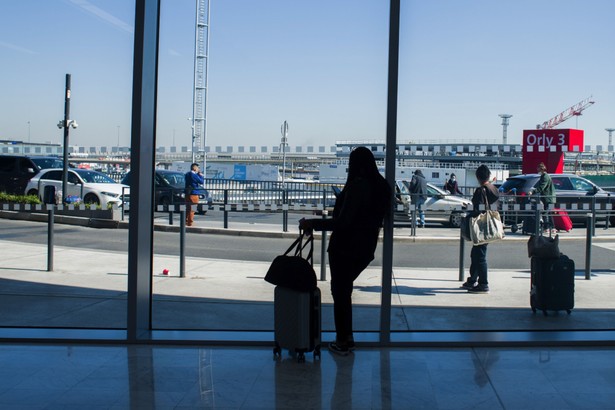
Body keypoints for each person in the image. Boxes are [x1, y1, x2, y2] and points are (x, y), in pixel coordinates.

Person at [299, 147, 390, 355]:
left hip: (345, 247)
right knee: (344, 291)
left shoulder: (358, 186)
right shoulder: (381, 186)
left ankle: (343, 341)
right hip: (366, 248)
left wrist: (312, 223)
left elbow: (343, 222)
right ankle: (346, 338)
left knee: (340, 293)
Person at [460, 164, 499, 293]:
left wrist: (468, 209)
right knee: (476, 253)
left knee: (479, 255)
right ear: (488, 176)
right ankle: (472, 280)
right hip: (490, 224)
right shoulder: (493, 188)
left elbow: (479, 209)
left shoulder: (481, 190)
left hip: (481, 226)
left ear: (478, 177)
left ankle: (483, 284)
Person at [530, 162, 556, 233]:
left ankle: (548, 227)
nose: (537, 171)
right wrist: (533, 189)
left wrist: (533, 191)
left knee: (546, 213)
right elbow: (538, 185)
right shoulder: (543, 176)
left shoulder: (545, 177)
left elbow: (541, 187)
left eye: (538, 169)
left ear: (541, 169)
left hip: (548, 198)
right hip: (547, 197)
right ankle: (552, 227)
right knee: (548, 213)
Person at [184, 163, 204, 227]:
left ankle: (185, 221)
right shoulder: (194, 175)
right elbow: (201, 181)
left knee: (187, 208)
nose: (198, 169)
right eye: (198, 168)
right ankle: (190, 223)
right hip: (194, 193)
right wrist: (200, 175)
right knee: (193, 208)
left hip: (187, 193)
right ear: (194, 168)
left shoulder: (187, 174)